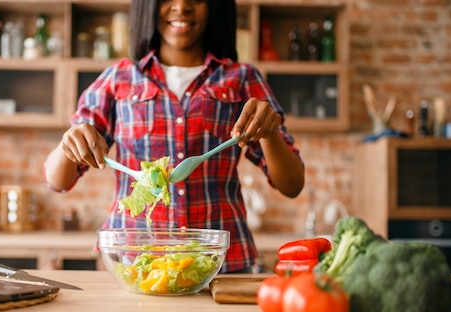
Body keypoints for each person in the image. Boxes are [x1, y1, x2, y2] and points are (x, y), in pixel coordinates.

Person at [44, 0, 305, 273]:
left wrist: (270, 133)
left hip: (220, 266)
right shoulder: (118, 78)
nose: (181, 6)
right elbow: (58, 181)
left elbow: (292, 185)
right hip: (134, 265)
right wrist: (70, 143)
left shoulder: (242, 78)